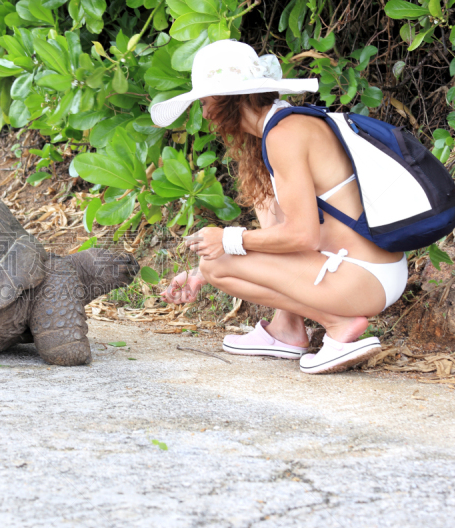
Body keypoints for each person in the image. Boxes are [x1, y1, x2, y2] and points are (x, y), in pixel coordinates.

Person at [150, 40, 407, 374]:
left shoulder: (284, 136)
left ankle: (339, 325)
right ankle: (287, 330)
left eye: (206, 100)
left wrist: (227, 239)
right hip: (369, 268)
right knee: (247, 225)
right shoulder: (284, 126)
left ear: (231, 98)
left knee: (218, 263)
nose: (204, 112)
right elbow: (281, 231)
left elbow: (302, 237)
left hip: (365, 276)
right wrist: (202, 274)